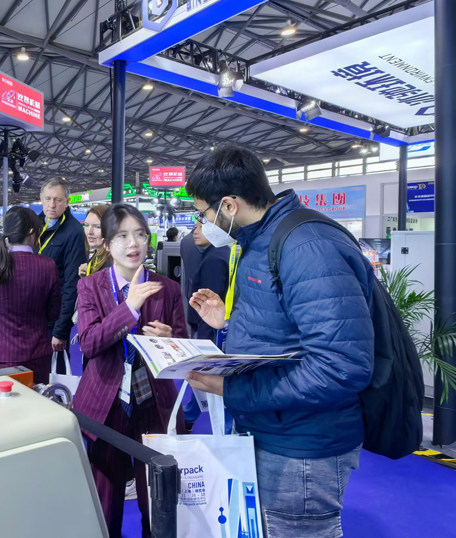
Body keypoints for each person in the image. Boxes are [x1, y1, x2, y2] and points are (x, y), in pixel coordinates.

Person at [184, 146, 374, 538]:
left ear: (229, 206)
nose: (202, 223)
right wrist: (228, 324)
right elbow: (287, 330)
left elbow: (341, 366)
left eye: (203, 213)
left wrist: (232, 389)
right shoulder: (260, 239)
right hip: (271, 429)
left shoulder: (306, 247)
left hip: (302, 445)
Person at [74, 204, 187, 538]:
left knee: (157, 501)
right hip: (105, 406)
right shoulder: (90, 286)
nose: (133, 243)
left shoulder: (167, 288)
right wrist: (129, 308)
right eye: (122, 236)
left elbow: (183, 349)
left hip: (154, 403)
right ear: (108, 244)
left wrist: (171, 340)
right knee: (105, 502)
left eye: (140, 234)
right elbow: (89, 343)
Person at [0, 207, 61, 384]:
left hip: (2, 355)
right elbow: (54, 313)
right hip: (38, 354)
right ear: (31, 232)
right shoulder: (48, 266)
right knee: (38, 400)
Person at [38, 178, 88, 372]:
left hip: (53, 318)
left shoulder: (73, 231)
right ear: (41, 199)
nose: (52, 205)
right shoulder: (35, 224)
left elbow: (71, 284)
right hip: (31, 315)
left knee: (54, 374)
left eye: (58, 200)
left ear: (67, 202)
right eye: (48, 198)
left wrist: (61, 330)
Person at [180, 225, 229, 341]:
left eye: (201, 227)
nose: (195, 232)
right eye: (195, 228)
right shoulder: (222, 251)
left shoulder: (214, 260)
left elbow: (210, 303)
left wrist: (205, 340)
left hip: (207, 328)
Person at [78, 204, 112, 279]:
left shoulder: (111, 266)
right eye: (86, 225)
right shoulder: (96, 257)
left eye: (97, 227)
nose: (89, 232)